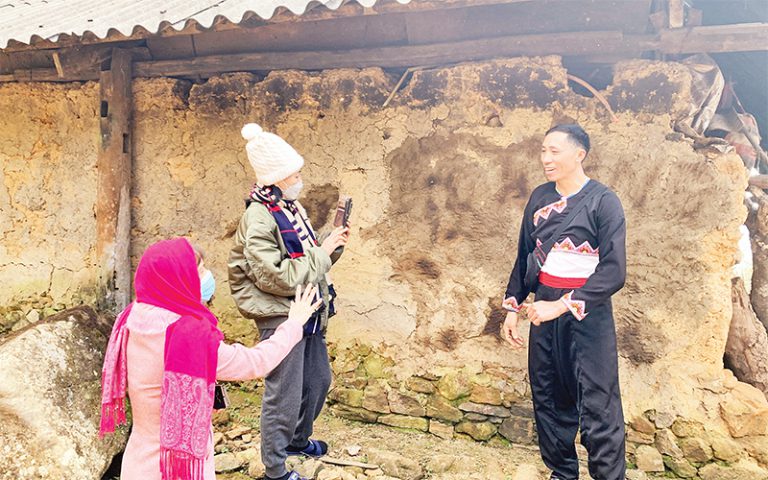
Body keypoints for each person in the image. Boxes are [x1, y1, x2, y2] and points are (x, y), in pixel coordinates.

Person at [99, 237, 320, 480]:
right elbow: (255, 362)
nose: (207, 277)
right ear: (181, 280)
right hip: (177, 469)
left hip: (138, 463)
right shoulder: (189, 336)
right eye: (201, 271)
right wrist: (293, 324)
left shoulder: (131, 318)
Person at [501, 124, 627, 480]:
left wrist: (561, 305)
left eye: (554, 151)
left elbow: (614, 271)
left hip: (588, 314)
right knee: (548, 396)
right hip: (543, 308)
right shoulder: (540, 198)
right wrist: (513, 308)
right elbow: (526, 256)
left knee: (598, 403)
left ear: (579, 154)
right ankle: (562, 473)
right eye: (543, 151)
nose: (546, 159)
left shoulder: (604, 201)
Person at [228, 123, 349, 480]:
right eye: (294, 174)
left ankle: (297, 441)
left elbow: (308, 261)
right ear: (278, 177)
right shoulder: (258, 218)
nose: (299, 179)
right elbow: (277, 277)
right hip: (280, 312)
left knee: (317, 381)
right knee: (284, 394)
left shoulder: (289, 209)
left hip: (307, 306)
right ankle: (275, 469)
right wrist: (322, 253)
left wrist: (331, 245)